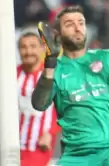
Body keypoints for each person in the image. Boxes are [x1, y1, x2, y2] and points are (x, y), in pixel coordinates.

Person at [31, 6, 109, 166]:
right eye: (69, 24)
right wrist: (50, 63)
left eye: (81, 23)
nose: (77, 28)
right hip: (76, 153)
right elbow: (39, 104)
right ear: (58, 34)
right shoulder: (56, 70)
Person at [17, 31, 60, 166]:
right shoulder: (12, 74)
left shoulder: (52, 76)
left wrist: (51, 133)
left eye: (33, 46)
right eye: (24, 47)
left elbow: (65, 109)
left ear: (41, 49)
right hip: (11, 147)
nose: (28, 51)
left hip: (38, 148)